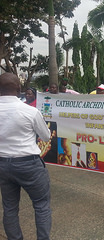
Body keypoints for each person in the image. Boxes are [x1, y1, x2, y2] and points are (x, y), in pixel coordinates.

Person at [0, 72, 52, 239]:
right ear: (19, 88)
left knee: (9, 208)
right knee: (41, 205)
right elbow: (45, 137)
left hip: (2, 165)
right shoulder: (30, 111)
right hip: (29, 165)